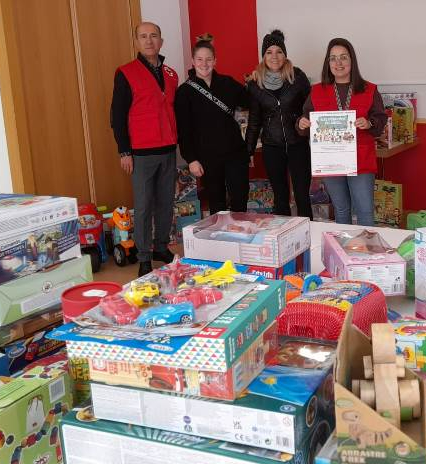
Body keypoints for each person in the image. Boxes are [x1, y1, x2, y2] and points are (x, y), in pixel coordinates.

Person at [110, 21, 178, 277]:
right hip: (141, 152)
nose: (149, 41)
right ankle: (144, 256)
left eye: (154, 36)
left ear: (161, 41)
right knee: (144, 205)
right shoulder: (125, 72)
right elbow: (117, 115)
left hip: (168, 148)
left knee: (166, 203)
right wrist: (124, 151)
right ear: (136, 42)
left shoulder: (171, 74)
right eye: (143, 36)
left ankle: (161, 246)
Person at [297, 38, 388, 226]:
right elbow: (304, 120)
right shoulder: (317, 91)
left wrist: (369, 123)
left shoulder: (369, 89)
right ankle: (343, 251)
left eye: (343, 57)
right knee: (341, 210)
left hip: (360, 160)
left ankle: (368, 252)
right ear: (328, 63)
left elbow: (380, 118)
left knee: (364, 211)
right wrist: (302, 123)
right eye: (333, 58)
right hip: (331, 161)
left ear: (352, 61)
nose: (338, 63)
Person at [175, 35, 249, 214]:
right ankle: (220, 241)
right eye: (199, 59)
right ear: (193, 61)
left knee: (240, 198)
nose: (204, 63)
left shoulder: (228, 83)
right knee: (216, 203)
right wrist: (191, 159)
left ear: (215, 60)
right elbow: (183, 130)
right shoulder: (184, 92)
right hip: (207, 157)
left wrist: (254, 82)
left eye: (208, 59)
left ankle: (241, 237)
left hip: (235, 153)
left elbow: (250, 101)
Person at [246, 30, 313, 219]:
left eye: (279, 51)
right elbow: (254, 120)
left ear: (285, 54)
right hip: (272, 146)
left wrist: (303, 122)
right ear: (263, 56)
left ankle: (309, 240)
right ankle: (284, 242)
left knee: (302, 196)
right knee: (280, 198)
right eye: (269, 52)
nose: (274, 56)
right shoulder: (254, 83)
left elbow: (310, 108)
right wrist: (248, 150)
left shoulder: (297, 76)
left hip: (297, 144)